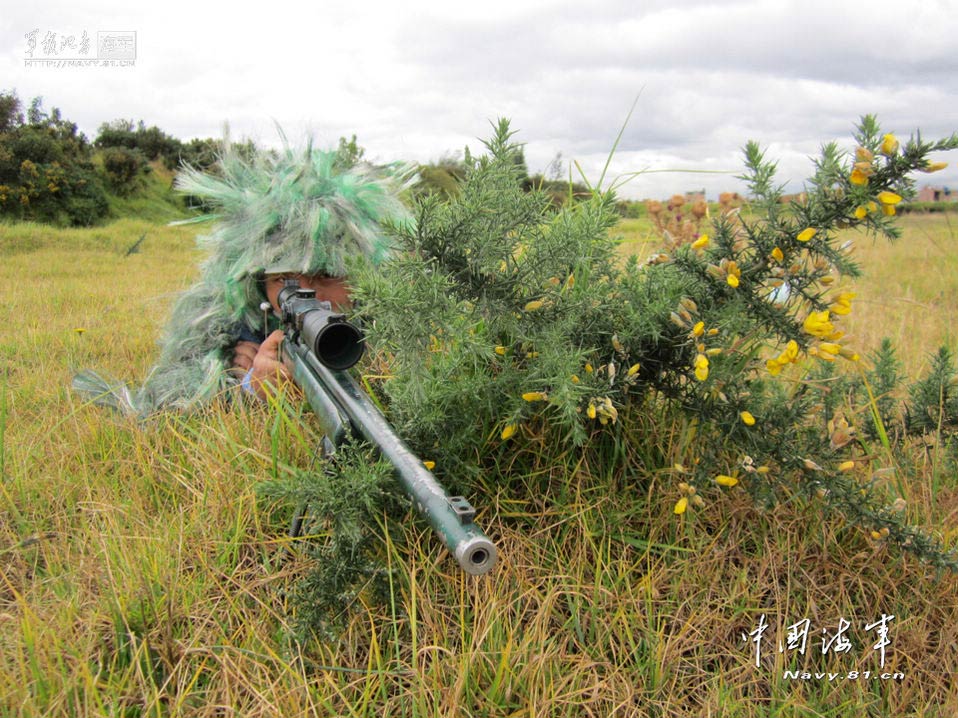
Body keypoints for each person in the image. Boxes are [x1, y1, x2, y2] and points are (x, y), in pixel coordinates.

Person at [73, 138, 411, 415]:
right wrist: (244, 386)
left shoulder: (390, 319)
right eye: (284, 280)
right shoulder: (234, 322)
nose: (308, 295)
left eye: (326, 275)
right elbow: (166, 405)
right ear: (258, 280)